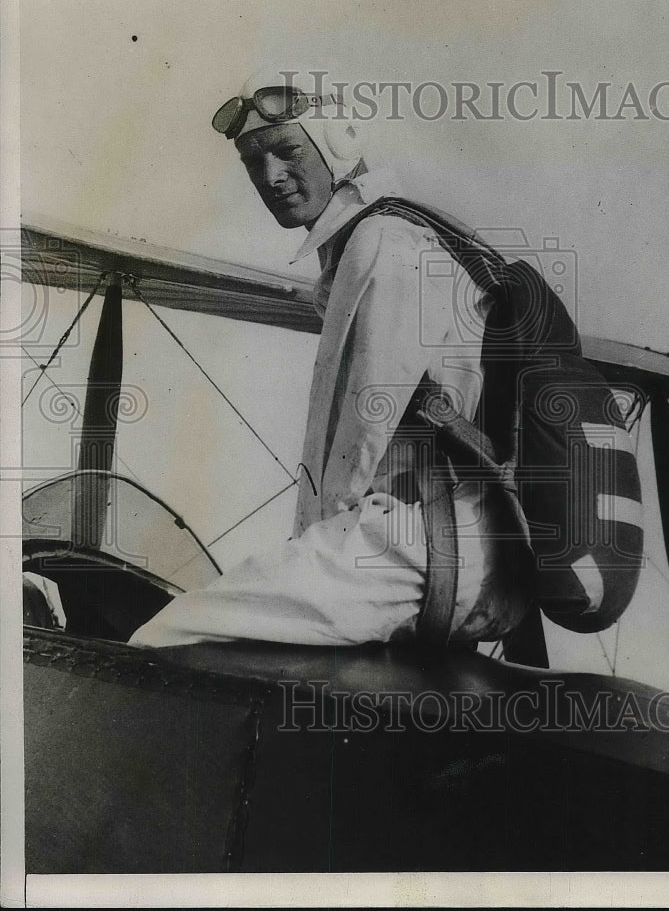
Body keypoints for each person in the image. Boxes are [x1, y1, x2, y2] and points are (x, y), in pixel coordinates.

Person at [129, 70, 531, 650]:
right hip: (463, 553)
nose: (270, 176)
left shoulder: (381, 241)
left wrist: (309, 552)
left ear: (337, 142)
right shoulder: (397, 235)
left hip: (421, 549)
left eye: (286, 150)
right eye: (252, 161)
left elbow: (353, 440)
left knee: (165, 637)